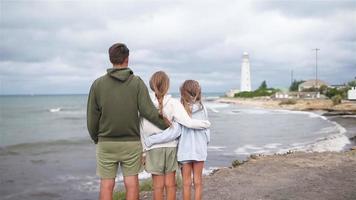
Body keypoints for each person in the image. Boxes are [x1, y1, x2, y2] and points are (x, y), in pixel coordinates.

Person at [87, 43, 170, 200]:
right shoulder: (136, 82)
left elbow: (92, 117)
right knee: (131, 183)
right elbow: (149, 112)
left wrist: (95, 138)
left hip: (106, 143)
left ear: (110, 59)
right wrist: (166, 125)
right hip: (131, 143)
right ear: (127, 59)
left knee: (106, 184)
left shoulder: (97, 84)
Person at [140, 72, 210, 200]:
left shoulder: (146, 104)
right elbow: (188, 128)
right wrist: (206, 126)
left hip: (169, 150)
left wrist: (146, 144)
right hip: (181, 149)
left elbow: (142, 128)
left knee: (163, 186)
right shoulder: (177, 104)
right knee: (175, 185)